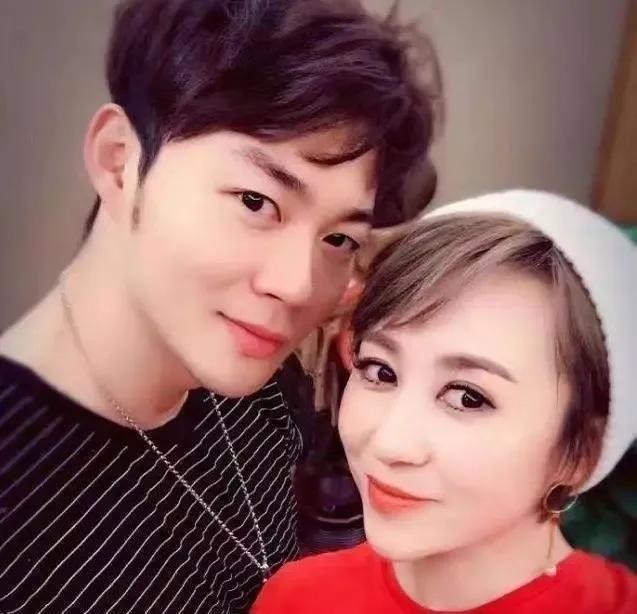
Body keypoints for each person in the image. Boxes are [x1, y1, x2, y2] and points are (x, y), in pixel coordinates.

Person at [0, 0, 440, 612]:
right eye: (256, 202)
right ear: (119, 161)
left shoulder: (260, 384)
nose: (297, 287)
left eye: (339, 239)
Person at [252, 190, 637, 613]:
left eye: (468, 397)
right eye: (381, 371)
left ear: (580, 451)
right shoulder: (299, 598)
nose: (389, 444)